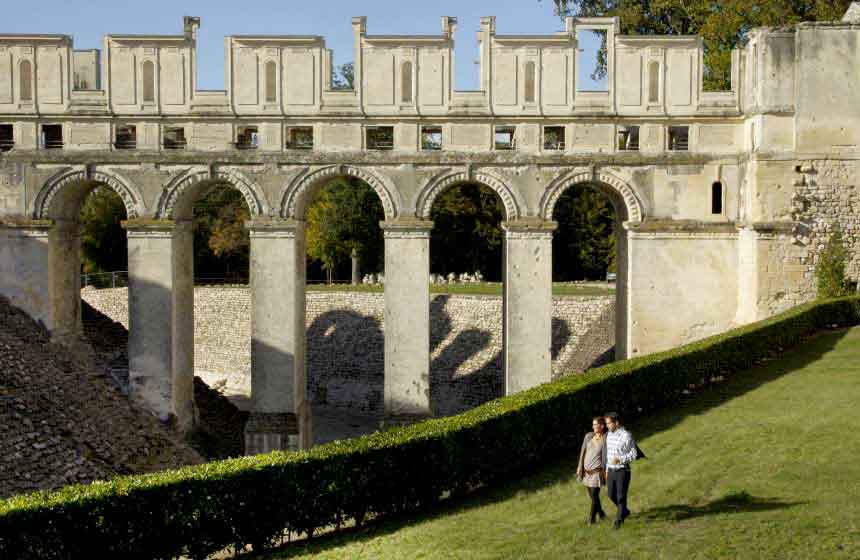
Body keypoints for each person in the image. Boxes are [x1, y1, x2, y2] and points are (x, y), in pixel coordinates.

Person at [604, 412, 639, 529]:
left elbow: (634, 454)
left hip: (623, 471)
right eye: (606, 423)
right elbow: (609, 454)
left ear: (616, 423)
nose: (607, 425)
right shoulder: (609, 435)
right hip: (611, 470)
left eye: (609, 423)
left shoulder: (626, 435)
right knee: (610, 494)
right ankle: (624, 510)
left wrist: (620, 460)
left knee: (620, 496)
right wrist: (607, 469)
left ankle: (618, 521)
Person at [576, 416, 608, 524]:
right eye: (593, 424)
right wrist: (580, 466)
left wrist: (605, 472)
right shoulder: (589, 436)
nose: (593, 426)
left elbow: (606, 457)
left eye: (595, 424)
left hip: (597, 472)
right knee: (593, 497)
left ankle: (591, 519)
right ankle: (602, 514)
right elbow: (583, 452)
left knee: (594, 495)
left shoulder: (605, 439)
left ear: (602, 426)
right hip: (587, 473)